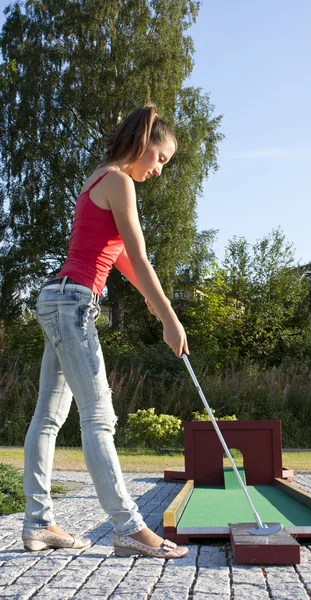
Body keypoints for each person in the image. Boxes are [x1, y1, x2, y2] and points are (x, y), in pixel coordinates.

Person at [22, 104, 189, 559]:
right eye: (161, 159)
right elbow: (140, 252)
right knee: (99, 418)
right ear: (144, 144)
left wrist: (156, 310)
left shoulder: (99, 177)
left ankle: (38, 525)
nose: (158, 171)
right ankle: (128, 528)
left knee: (49, 417)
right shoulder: (119, 181)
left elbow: (119, 259)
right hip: (72, 302)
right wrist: (171, 316)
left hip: (60, 298)